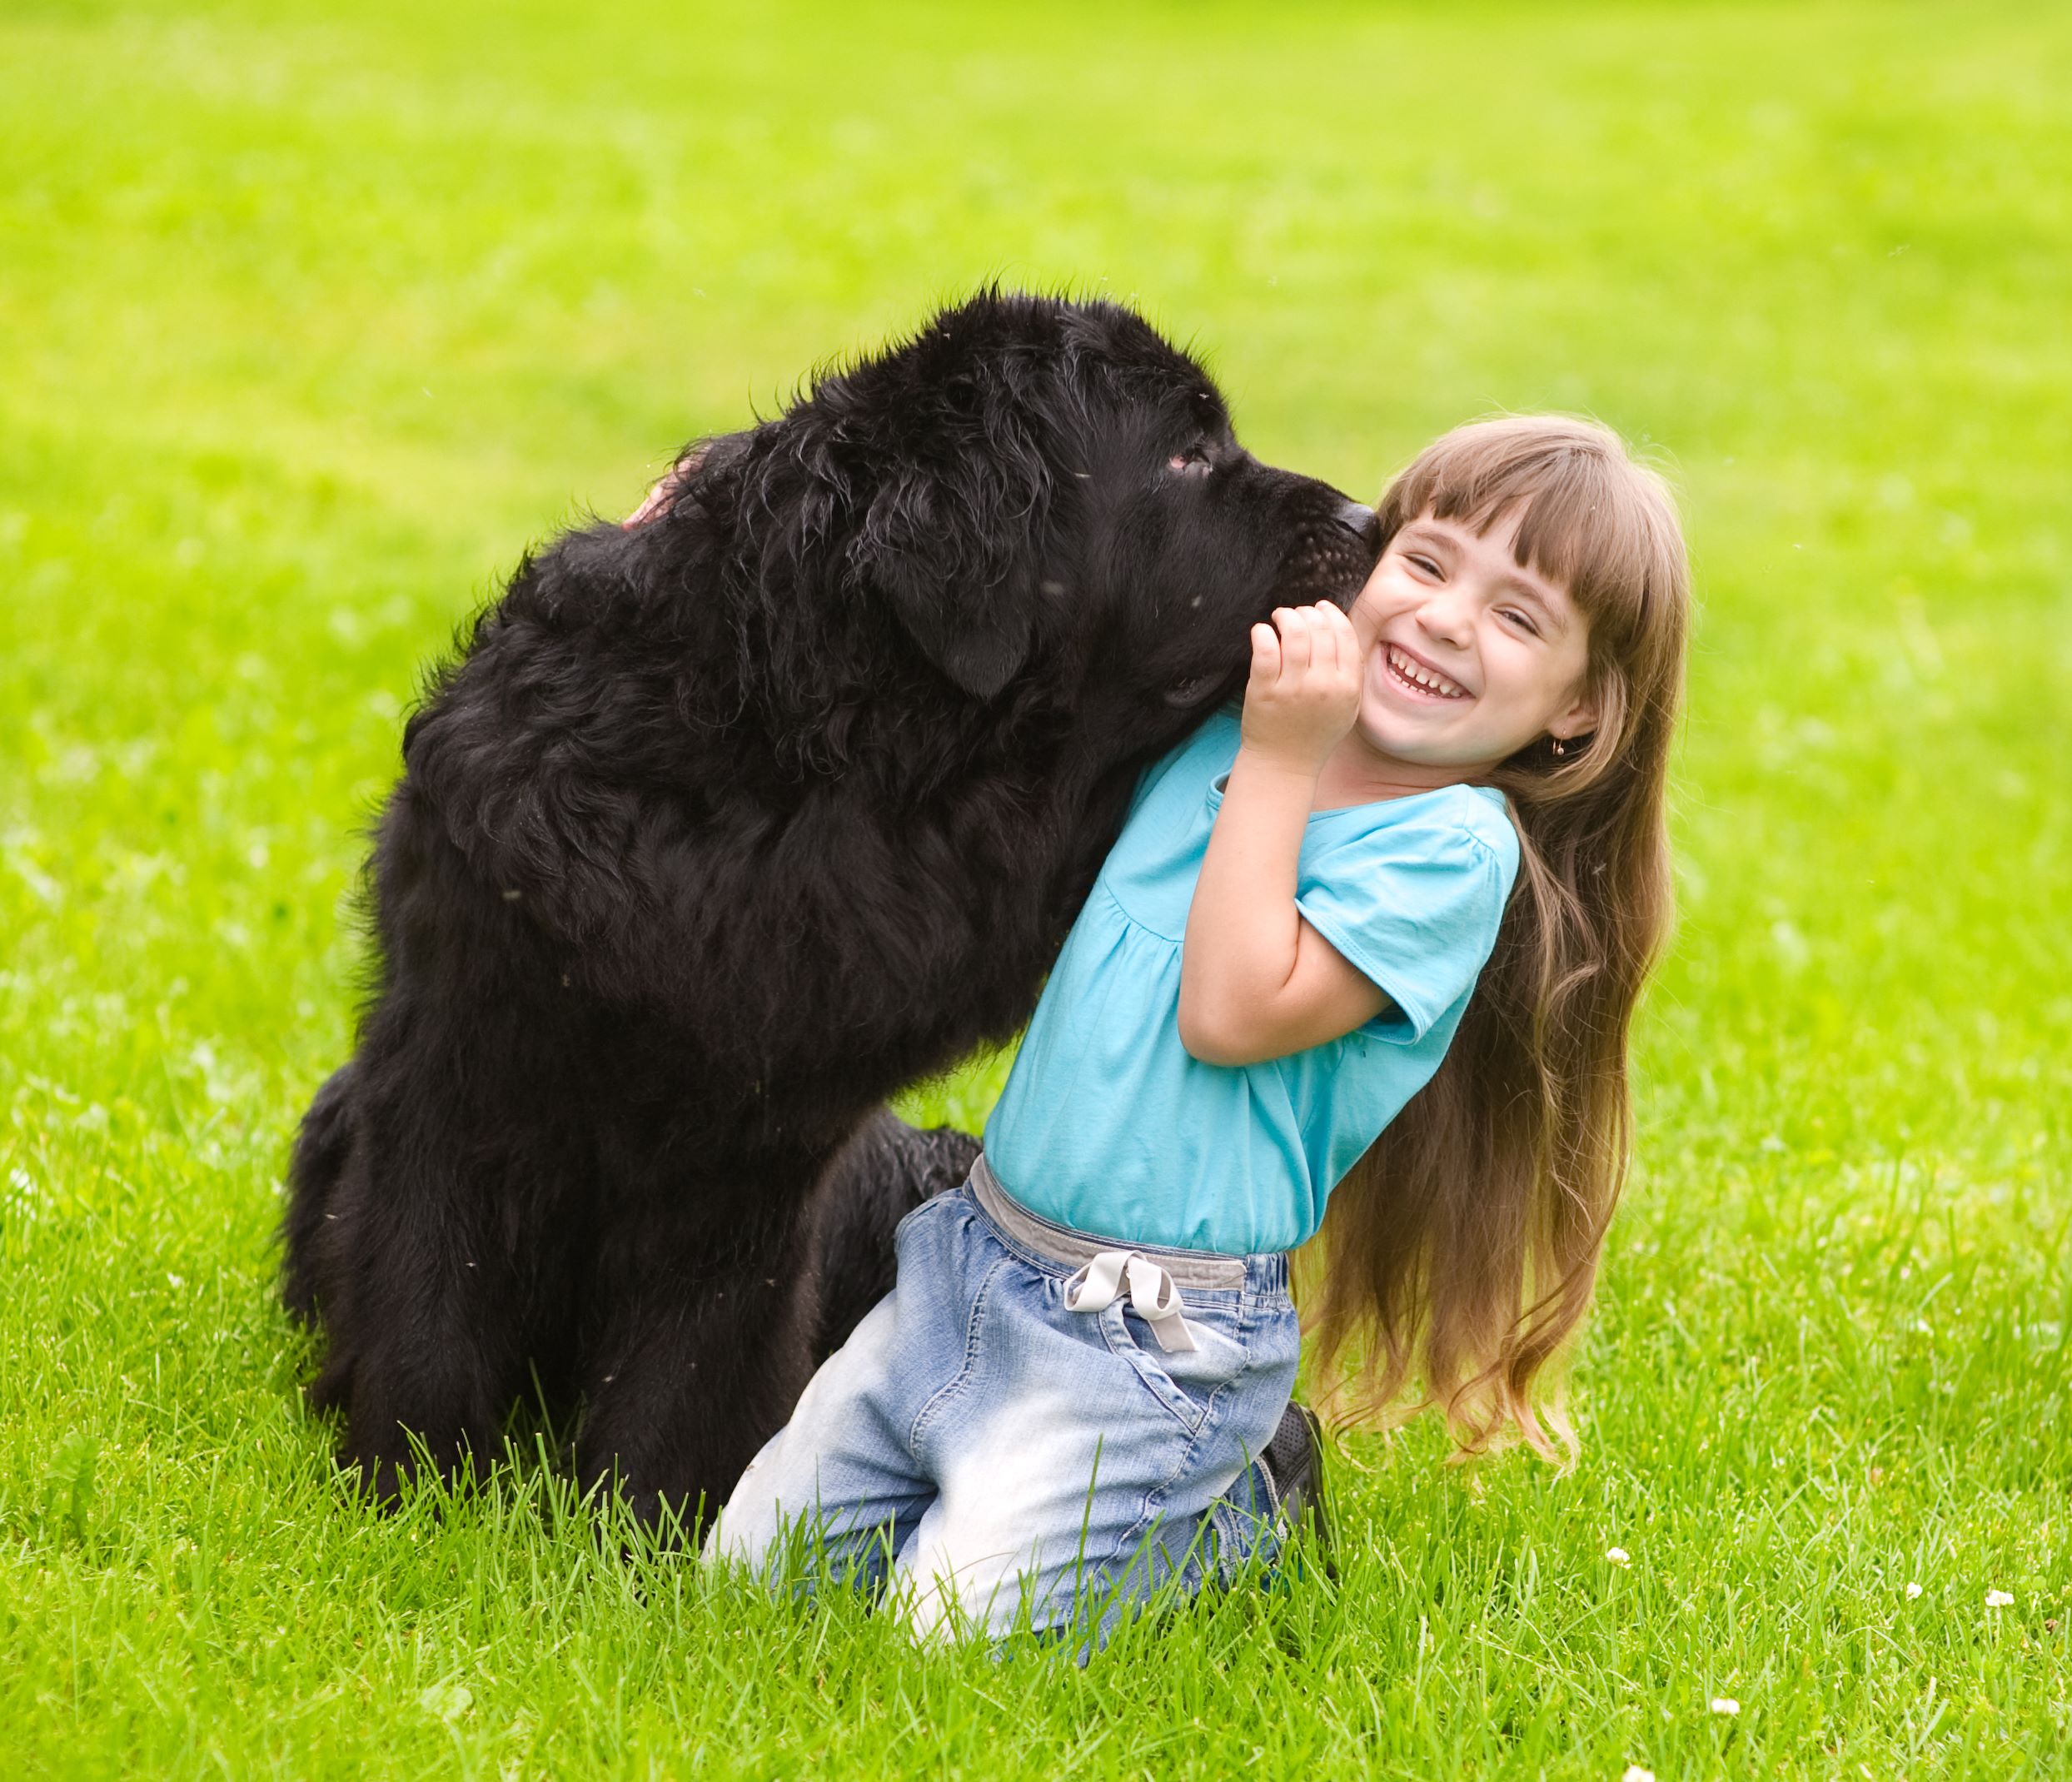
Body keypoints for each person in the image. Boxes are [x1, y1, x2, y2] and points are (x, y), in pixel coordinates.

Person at [703, 415, 1692, 1647]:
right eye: (1428, 564)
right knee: (748, 1581)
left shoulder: (1445, 853)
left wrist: (1280, 757)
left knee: (946, 1639)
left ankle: (1232, 1514)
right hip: (966, 1267)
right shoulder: (1236, 705)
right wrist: (718, 502)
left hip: (1145, 1347)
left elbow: (1234, 1011)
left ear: (1580, 715)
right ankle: (1034, 1491)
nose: (1444, 620)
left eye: (1518, 618)